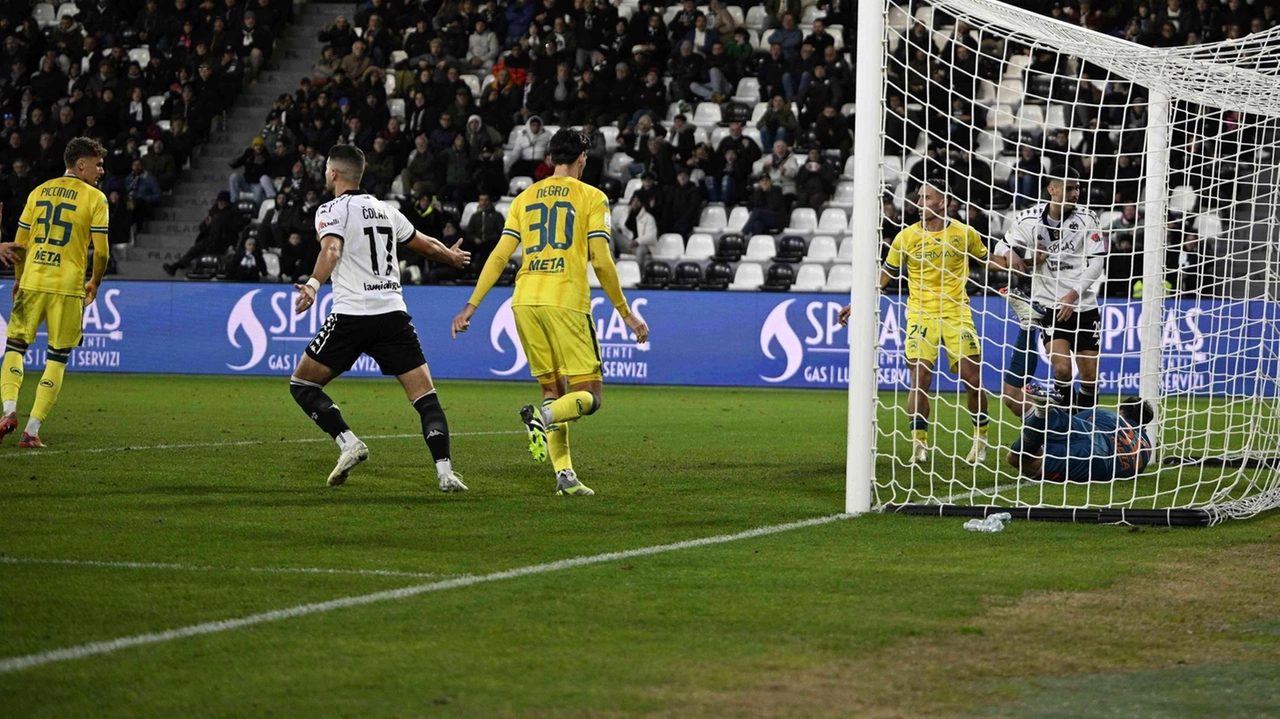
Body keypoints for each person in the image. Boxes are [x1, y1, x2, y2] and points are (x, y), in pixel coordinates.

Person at [451, 130, 650, 497]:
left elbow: (499, 255)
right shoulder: (593, 197)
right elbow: (602, 260)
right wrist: (626, 313)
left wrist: (471, 305)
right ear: (583, 159)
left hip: (525, 300)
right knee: (589, 396)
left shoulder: (524, 197)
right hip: (565, 300)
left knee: (552, 391)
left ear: (550, 158)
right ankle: (542, 419)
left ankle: (565, 476)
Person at [289, 145, 472, 491]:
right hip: (393, 316)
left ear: (334, 173)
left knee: (303, 385)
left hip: (352, 316)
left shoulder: (331, 210)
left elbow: (331, 249)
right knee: (426, 399)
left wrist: (313, 285)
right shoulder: (386, 210)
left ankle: (348, 442)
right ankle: (446, 473)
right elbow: (425, 244)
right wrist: (450, 257)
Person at [838, 182, 1005, 464]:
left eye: (926, 197)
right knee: (920, 380)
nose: (919, 202)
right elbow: (884, 276)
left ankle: (981, 438)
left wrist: (1021, 262)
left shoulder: (965, 234)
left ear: (943, 203)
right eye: (918, 198)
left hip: (957, 313)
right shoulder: (906, 238)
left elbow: (990, 261)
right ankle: (919, 444)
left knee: (973, 379)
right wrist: (859, 303)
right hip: (920, 315)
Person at [1, 138, 111, 448]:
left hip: (33, 280)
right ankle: (31, 431)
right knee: (57, 358)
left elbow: (18, 245)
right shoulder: (95, 198)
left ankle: (8, 411)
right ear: (81, 165)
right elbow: (101, 253)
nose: (101, 170)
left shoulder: (38, 191)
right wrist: (95, 282)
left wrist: (19, 279)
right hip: (67, 286)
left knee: (15, 348)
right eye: (97, 164)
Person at [995, 166, 1106, 411]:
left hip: (1083, 304)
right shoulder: (1029, 218)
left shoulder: (1088, 217)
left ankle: (1085, 426)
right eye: (1068, 188)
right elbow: (1000, 247)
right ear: (1051, 189)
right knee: (1062, 369)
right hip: (1049, 303)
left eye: (1077, 188)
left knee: (1090, 374)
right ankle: (1067, 428)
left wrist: (1073, 295)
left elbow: (1097, 262)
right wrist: (1011, 254)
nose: (1075, 193)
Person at [1008, 387, 1154, 483]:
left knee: (1048, 421)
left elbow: (1072, 423)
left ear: (1121, 410)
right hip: (1100, 462)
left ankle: (1039, 411)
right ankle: (1040, 415)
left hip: (1093, 438)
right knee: (1017, 458)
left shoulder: (1111, 416)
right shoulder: (1146, 448)